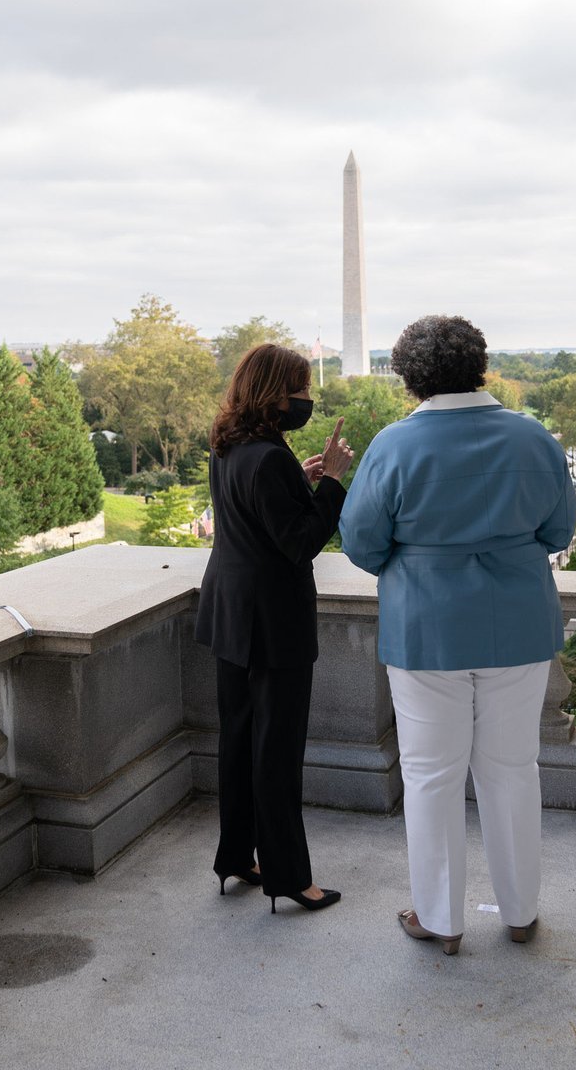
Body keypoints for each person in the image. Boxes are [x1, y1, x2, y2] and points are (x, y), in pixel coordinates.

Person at [338, 315, 576, 955]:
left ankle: (441, 919)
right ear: (479, 364)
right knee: (512, 771)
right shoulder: (534, 439)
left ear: (411, 377)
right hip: (519, 624)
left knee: (431, 776)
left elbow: (362, 544)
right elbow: (559, 533)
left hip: (427, 629)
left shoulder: (393, 446)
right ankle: (521, 911)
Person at [195, 343, 354, 913]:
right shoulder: (268, 457)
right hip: (273, 623)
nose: (308, 400)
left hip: (229, 613)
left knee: (237, 740)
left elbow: (262, 516)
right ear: (276, 394)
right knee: (276, 752)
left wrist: (300, 476)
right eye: (302, 389)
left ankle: (236, 856)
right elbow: (301, 542)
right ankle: (289, 876)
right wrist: (333, 480)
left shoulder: (229, 446)